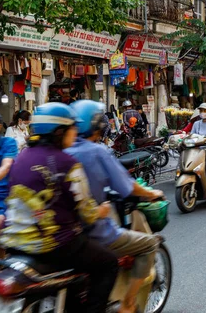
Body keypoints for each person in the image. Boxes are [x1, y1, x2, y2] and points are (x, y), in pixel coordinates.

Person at [0, 103, 117, 313]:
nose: (76, 133)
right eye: (73, 128)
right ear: (60, 132)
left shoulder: (21, 158)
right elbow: (87, 213)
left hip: (13, 243)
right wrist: (102, 211)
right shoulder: (68, 163)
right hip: (55, 245)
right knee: (108, 264)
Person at [68, 100, 163, 313]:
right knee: (148, 244)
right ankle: (128, 304)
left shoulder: (56, 152)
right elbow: (127, 187)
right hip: (90, 231)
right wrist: (152, 193)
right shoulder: (98, 151)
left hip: (58, 232)